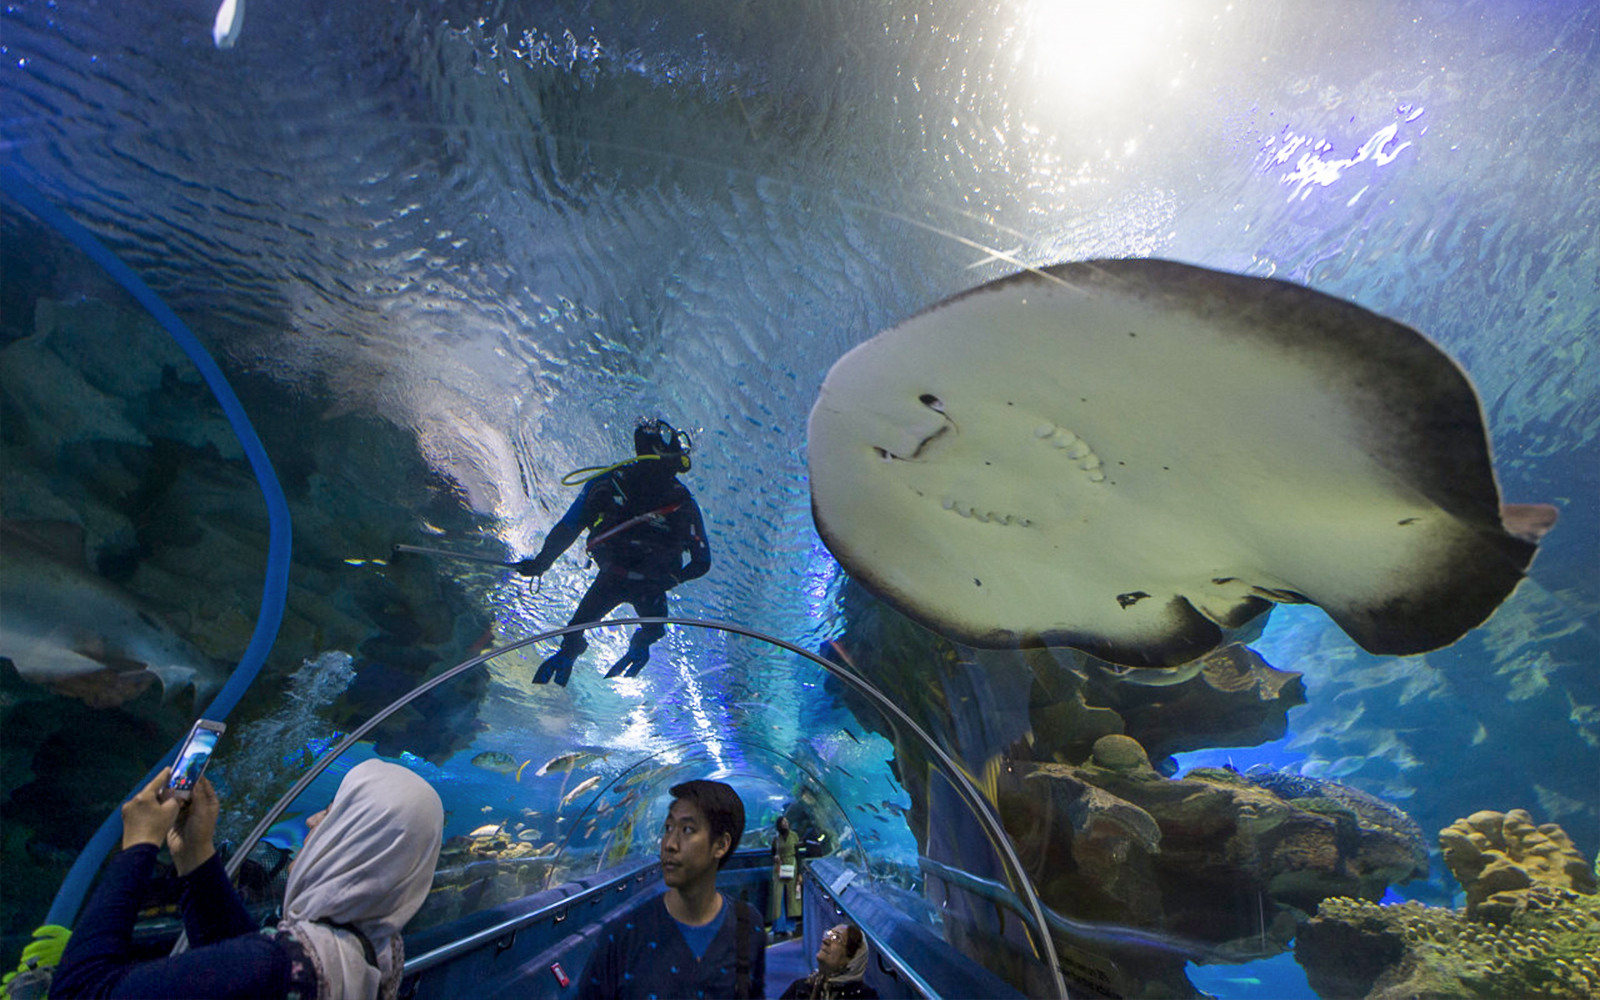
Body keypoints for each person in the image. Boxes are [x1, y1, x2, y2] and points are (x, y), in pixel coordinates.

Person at [52, 759, 444, 1000]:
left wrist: (137, 845)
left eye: (332, 813)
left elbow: (79, 992)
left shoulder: (279, 966)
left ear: (360, 840)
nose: (311, 821)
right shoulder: (371, 951)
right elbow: (240, 965)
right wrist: (194, 854)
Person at [519, 418, 711, 685]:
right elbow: (702, 562)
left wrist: (542, 563)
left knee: (577, 630)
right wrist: (670, 580)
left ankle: (574, 651)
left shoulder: (609, 483)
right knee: (652, 629)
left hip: (614, 578)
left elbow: (569, 527)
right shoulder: (680, 500)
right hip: (648, 585)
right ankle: (625, 646)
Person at [579, 779, 764, 1000]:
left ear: (721, 845)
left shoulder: (747, 926)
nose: (669, 844)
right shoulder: (623, 935)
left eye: (687, 829)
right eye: (668, 828)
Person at [779, 923, 878, 1000]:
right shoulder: (801, 989)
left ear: (851, 960)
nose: (825, 940)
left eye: (836, 938)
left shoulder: (864, 996)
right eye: (828, 934)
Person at [769, 816, 801, 937]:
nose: (785, 824)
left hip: (792, 866)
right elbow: (772, 852)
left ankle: (790, 926)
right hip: (779, 867)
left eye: (787, 822)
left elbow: (798, 853)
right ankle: (778, 927)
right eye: (783, 822)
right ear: (779, 825)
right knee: (778, 898)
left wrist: (800, 873)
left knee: (791, 898)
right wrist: (775, 858)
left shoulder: (794, 836)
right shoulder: (776, 838)